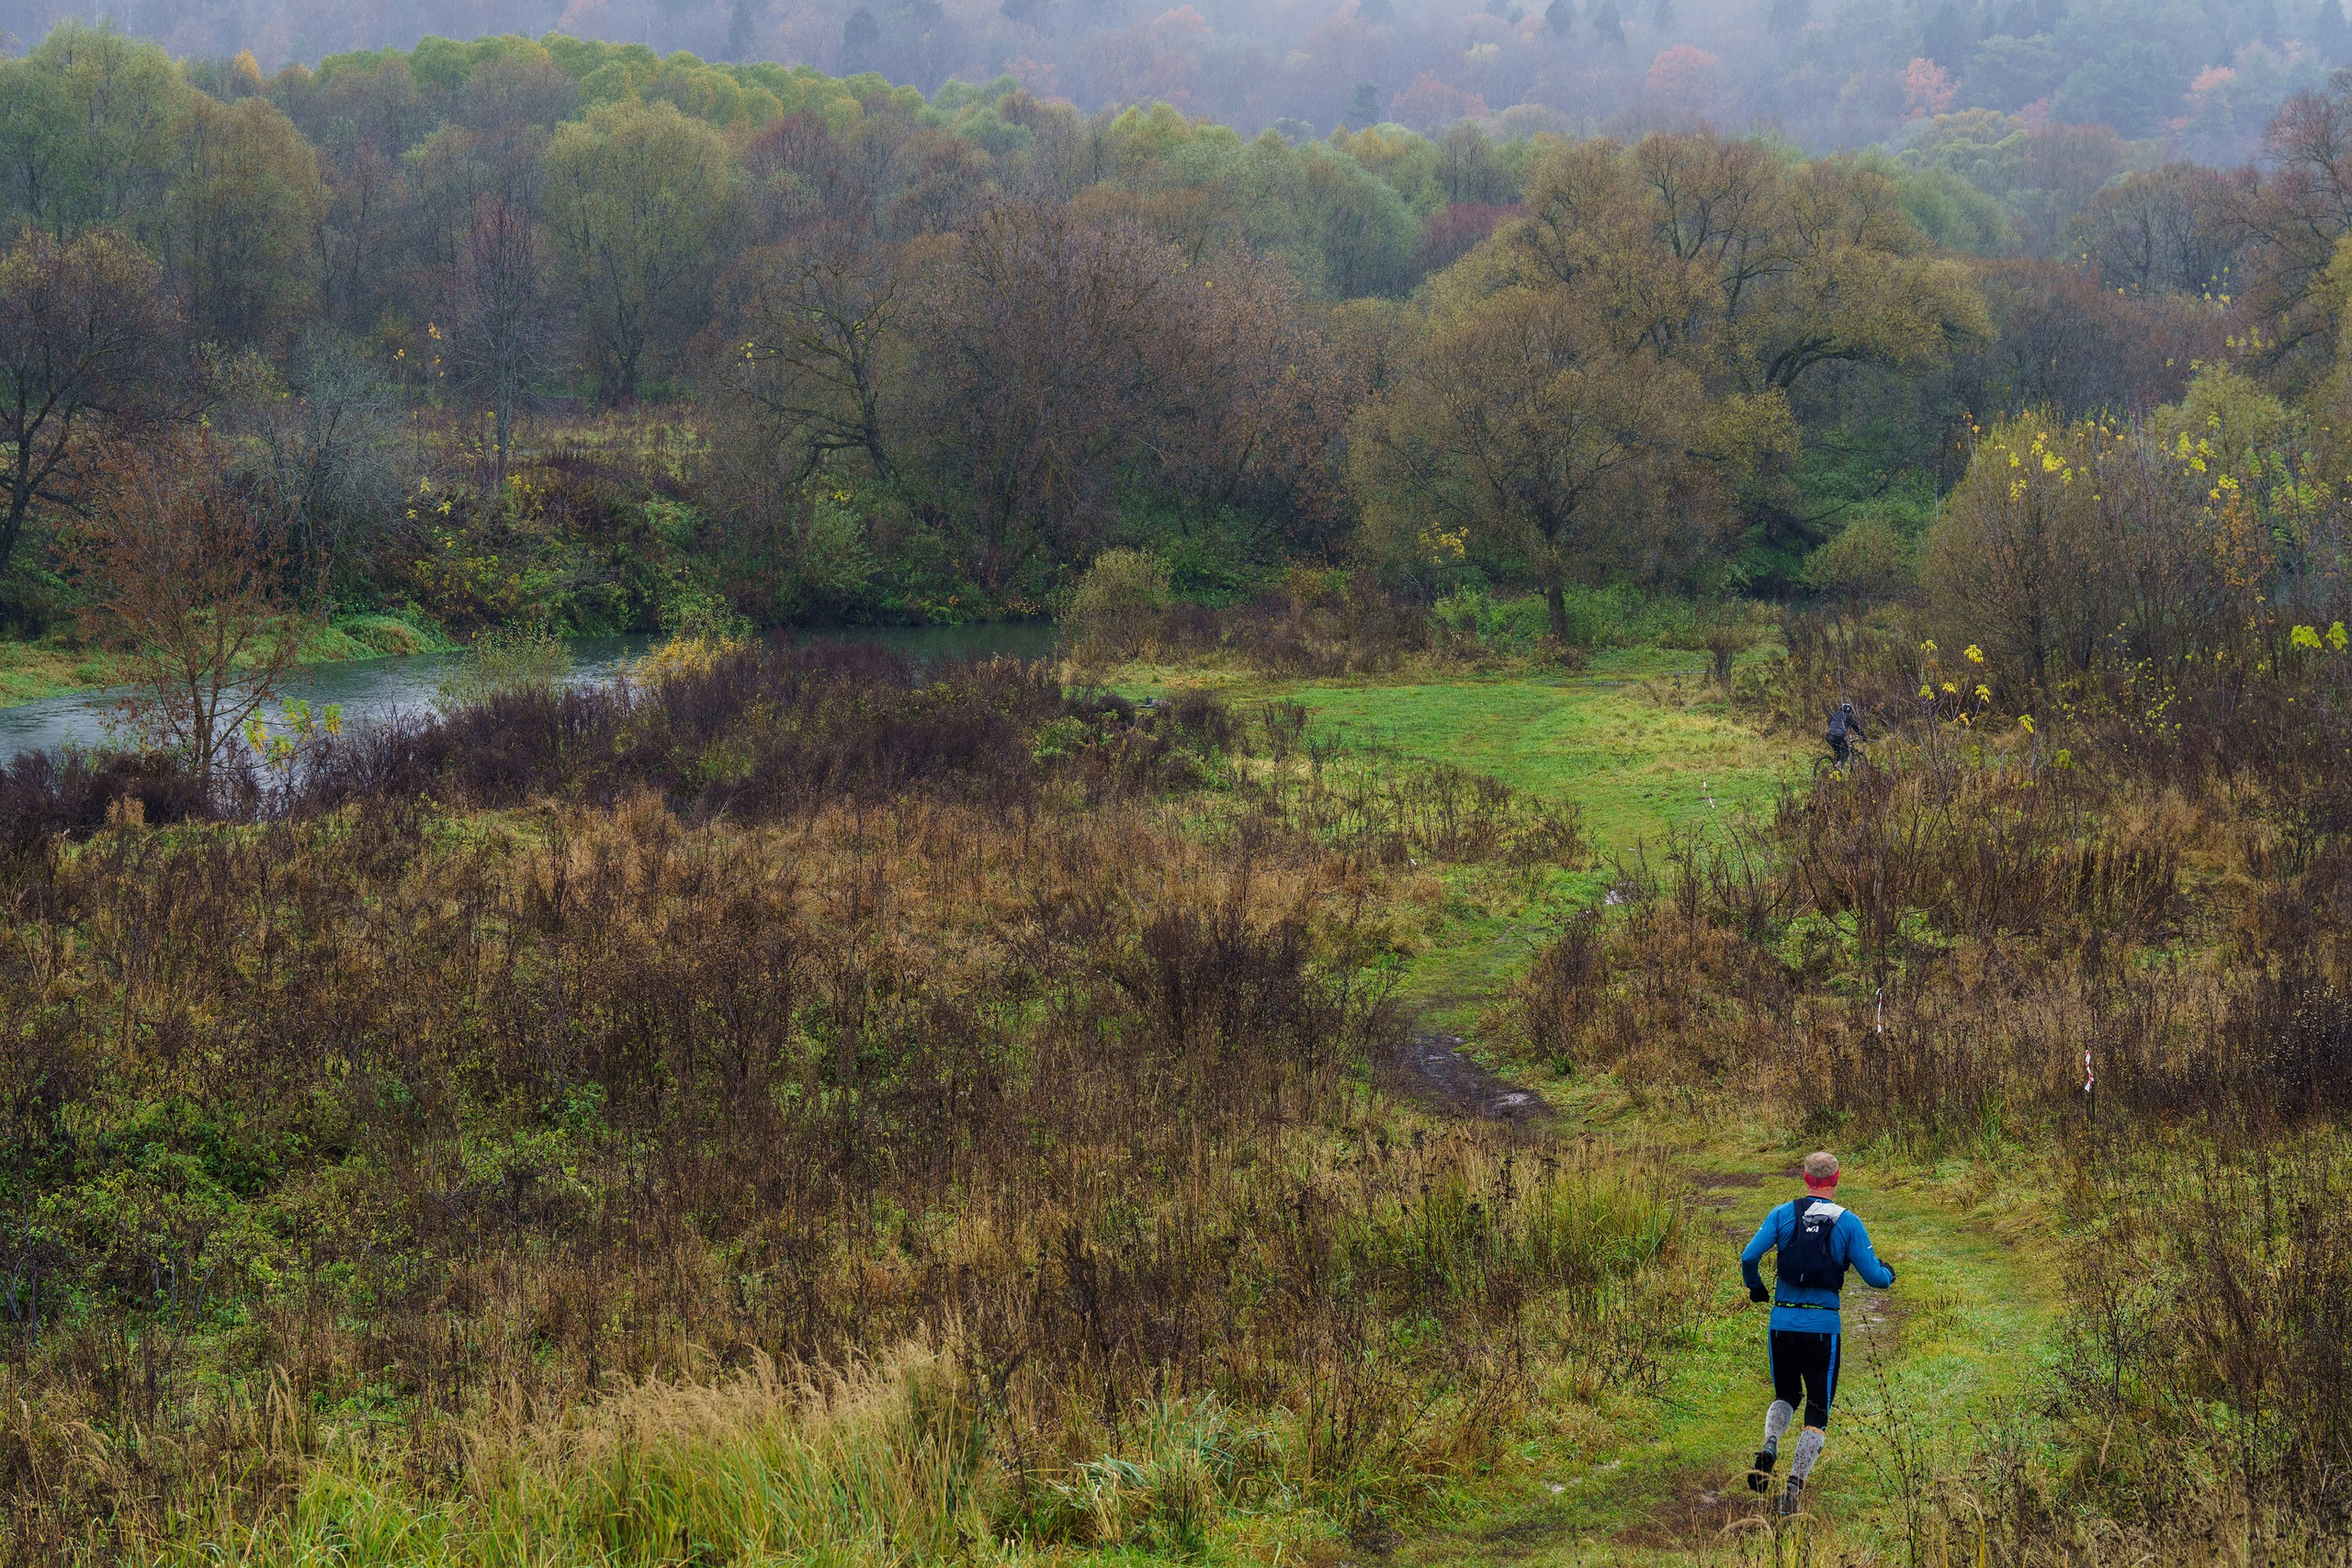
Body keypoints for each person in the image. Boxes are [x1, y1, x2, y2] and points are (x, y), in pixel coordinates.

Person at [1739, 1150, 1896, 1517]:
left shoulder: (1781, 1214)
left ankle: (1770, 1444)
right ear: (1836, 1179)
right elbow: (1874, 1277)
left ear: (1806, 1178)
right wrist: (1888, 1274)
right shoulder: (1848, 1222)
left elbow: (1749, 1256)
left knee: (1786, 1395)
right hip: (1823, 1328)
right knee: (1817, 1411)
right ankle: (1792, 1490)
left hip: (1782, 1323)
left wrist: (1756, 1287)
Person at [1825, 702, 1865, 768]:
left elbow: (1830, 724)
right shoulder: (1848, 716)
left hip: (1829, 735)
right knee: (1846, 751)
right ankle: (1839, 765)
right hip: (1839, 736)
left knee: (1837, 751)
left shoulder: (1835, 714)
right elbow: (1856, 727)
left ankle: (1835, 770)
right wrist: (1863, 736)